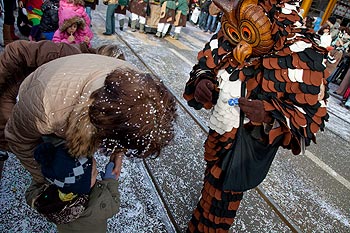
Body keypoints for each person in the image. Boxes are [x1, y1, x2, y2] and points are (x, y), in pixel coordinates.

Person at [183, 0, 329, 231]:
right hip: (219, 132)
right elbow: (205, 63)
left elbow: (310, 117)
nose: (239, 47)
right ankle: (199, 221)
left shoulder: (300, 49)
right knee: (211, 185)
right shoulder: (235, 20)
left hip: (246, 145)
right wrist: (202, 80)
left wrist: (270, 113)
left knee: (223, 200)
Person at [4, 53, 176, 186]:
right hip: (41, 95)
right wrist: (48, 179)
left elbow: (127, 119)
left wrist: (118, 154)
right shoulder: (47, 109)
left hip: (73, 91)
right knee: (52, 154)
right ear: (103, 127)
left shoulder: (136, 86)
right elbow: (18, 140)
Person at [0, 40, 126, 153]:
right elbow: (16, 50)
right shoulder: (66, 53)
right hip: (16, 94)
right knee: (17, 138)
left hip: (36, 100)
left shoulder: (94, 81)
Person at [26, 139, 120, 232]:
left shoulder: (49, 201)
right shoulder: (98, 206)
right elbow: (114, 205)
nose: (97, 172)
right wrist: (110, 180)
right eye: (95, 172)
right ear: (84, 185)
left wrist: (46, 178)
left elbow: (31, 196)